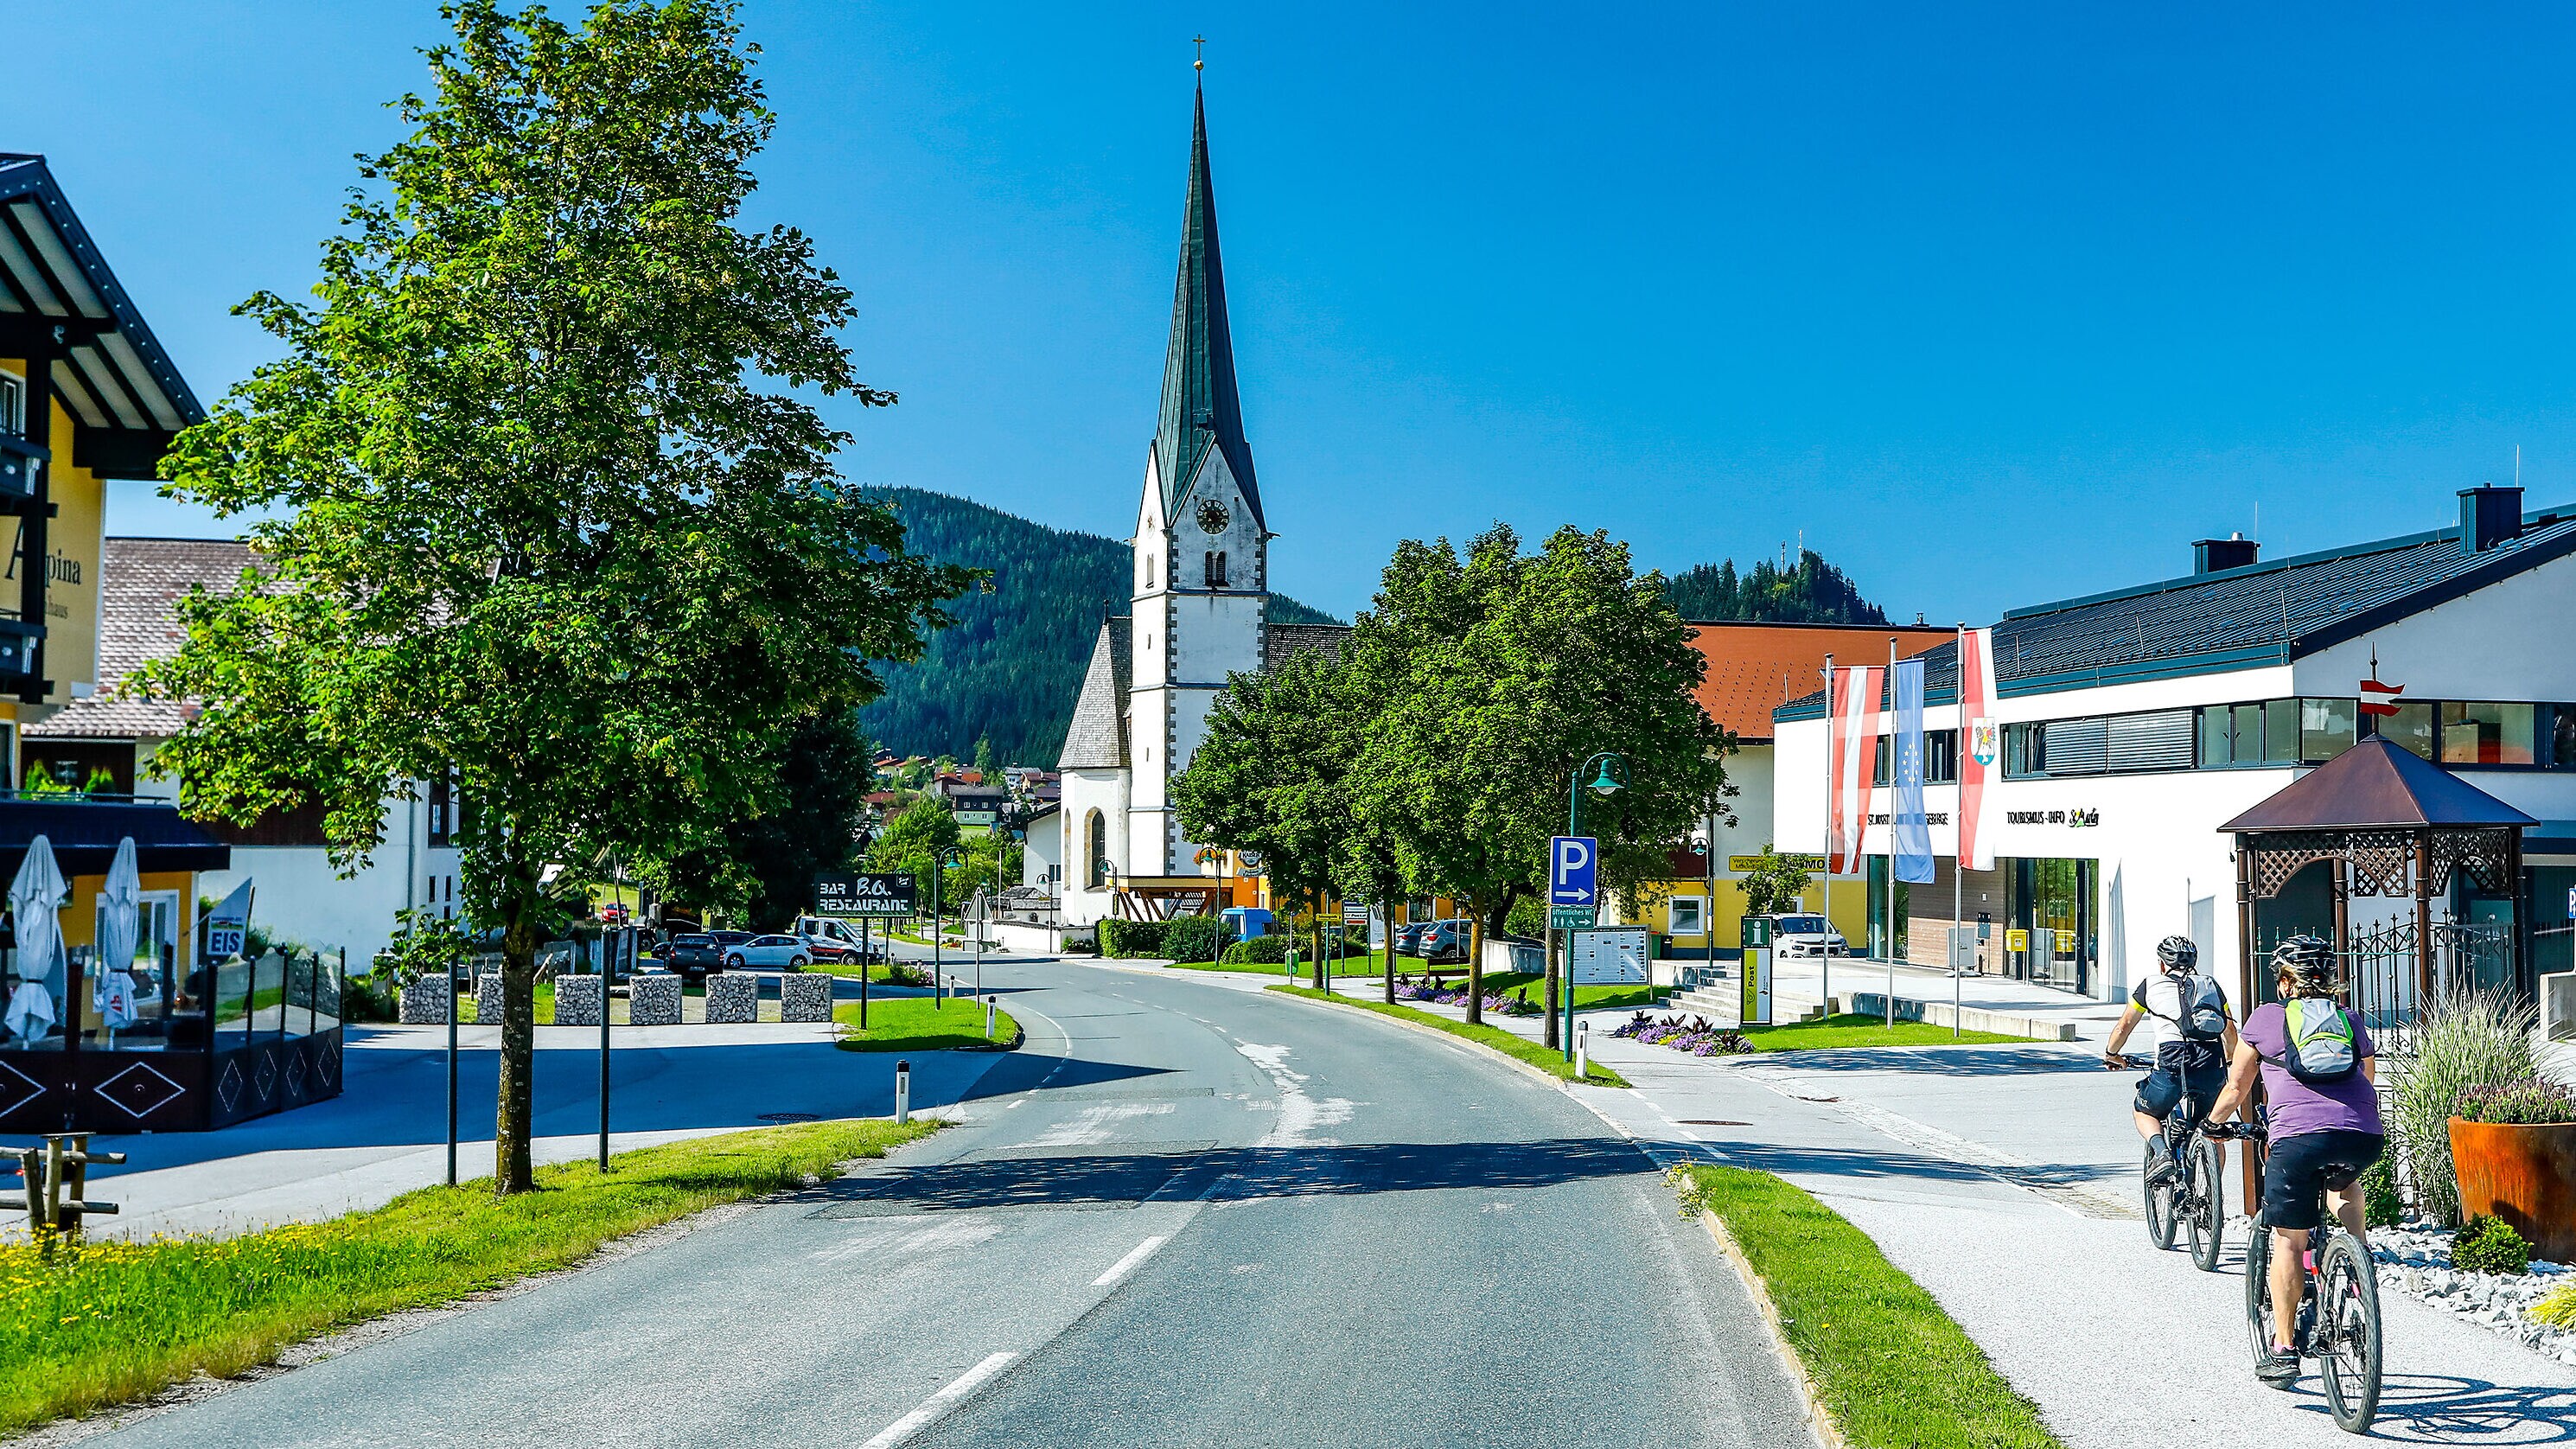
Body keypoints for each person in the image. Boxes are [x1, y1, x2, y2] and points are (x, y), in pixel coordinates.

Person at [2208, 935, 2384, 1387]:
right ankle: (2357, 1260)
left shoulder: (2266, 1020)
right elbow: (2366, 1081)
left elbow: (2236, 1088)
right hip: (2362, 1136)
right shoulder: (2350, 1020)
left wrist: (2212, 1124)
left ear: (2286, 981)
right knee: (2342, 1185)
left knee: (2288, 1240)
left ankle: (2284, 1348)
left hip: (2298, 1140)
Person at [2102, 934, 2237, 1184]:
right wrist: (2230, 1062)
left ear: (2162, 964)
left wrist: (2111, 1054)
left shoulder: (2150, 985)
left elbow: (2124, 1026)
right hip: (2210, 1061)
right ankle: (2210, 1195)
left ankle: (2162, 1153)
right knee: (2210, 1127)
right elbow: (2229, 1031)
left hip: (2173, 1059)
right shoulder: (2211, 985)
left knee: (2144, 1110)